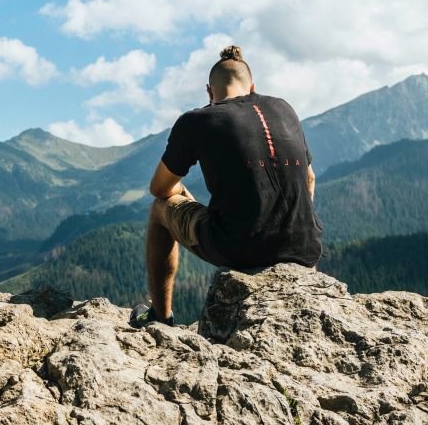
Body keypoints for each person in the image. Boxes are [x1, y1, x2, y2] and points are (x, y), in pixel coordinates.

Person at [131, 46, 322, 327]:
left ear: (209, 92)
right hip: (305, 249)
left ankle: (159, 318)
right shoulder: (284, 108)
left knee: (159, 210)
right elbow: (309, 179)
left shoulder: (198, 120)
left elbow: (159, 189)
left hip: (239, 248)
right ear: (252, 87)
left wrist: (184, 196)